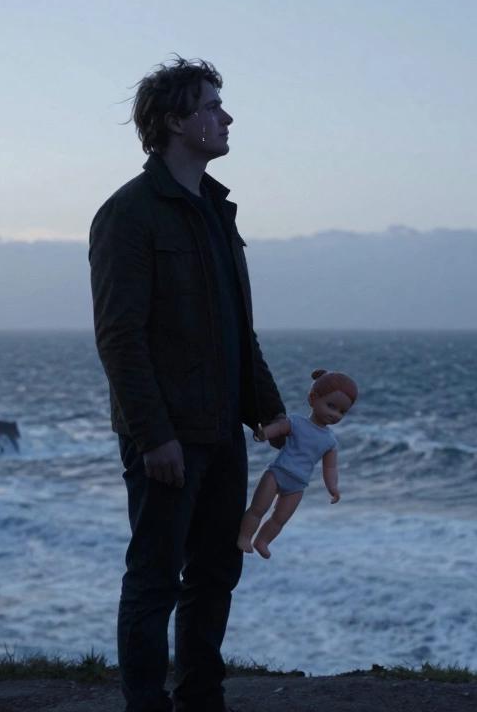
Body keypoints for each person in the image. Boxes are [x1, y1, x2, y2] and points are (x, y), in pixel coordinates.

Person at [88, 56, 287, 712]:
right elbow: (120, 336)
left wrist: (270, 413)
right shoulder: (129, 214)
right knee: (153, 583)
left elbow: (237, 329)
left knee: (215, 574)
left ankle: (202, 703)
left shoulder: (216, 210)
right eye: (209, 106)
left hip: (222, 433)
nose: (224, 117)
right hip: (168, 438)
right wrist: (154, 435)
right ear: (174, 121)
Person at [238, 369, 358, 559]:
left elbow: (330, 467)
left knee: (280, 519)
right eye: (331, 406)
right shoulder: (297, 422)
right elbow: (278, 428)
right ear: (312, 398)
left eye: (342, 411)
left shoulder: (330, 441)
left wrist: (332, 486)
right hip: (277, 473)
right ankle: (245, 536)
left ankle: (262, 541)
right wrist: (264, 433)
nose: (335, 414)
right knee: (258, 508)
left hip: (298, 484)